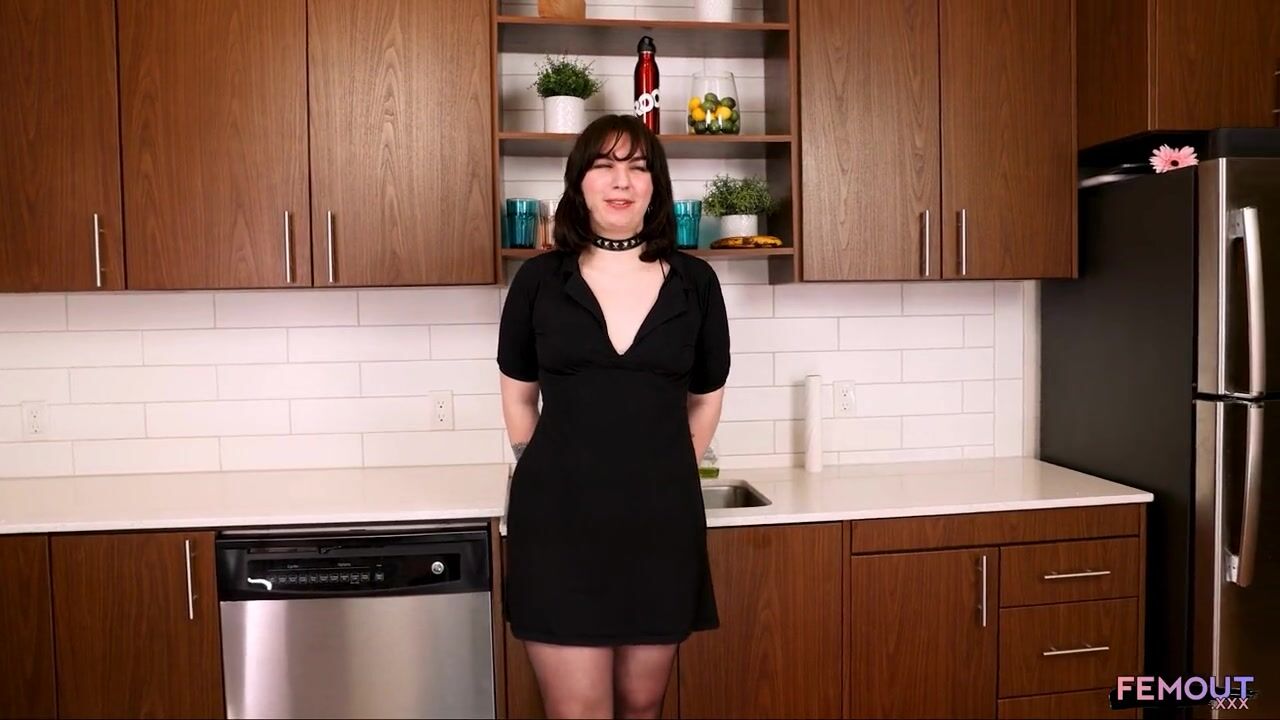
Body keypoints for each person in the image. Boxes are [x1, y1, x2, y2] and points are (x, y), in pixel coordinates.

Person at [496, 114, 731, 719]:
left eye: (638, 167)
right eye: (604, 166)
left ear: (656, 186)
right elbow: (518, 395)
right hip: (559, 524)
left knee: (642, 703)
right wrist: (548, 467)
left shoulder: (696, 283)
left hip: (660, 523)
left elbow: (707, 395)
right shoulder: (538, 281)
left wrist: (669, 466)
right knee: (580, 710)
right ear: (580, 182)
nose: (621, 181)